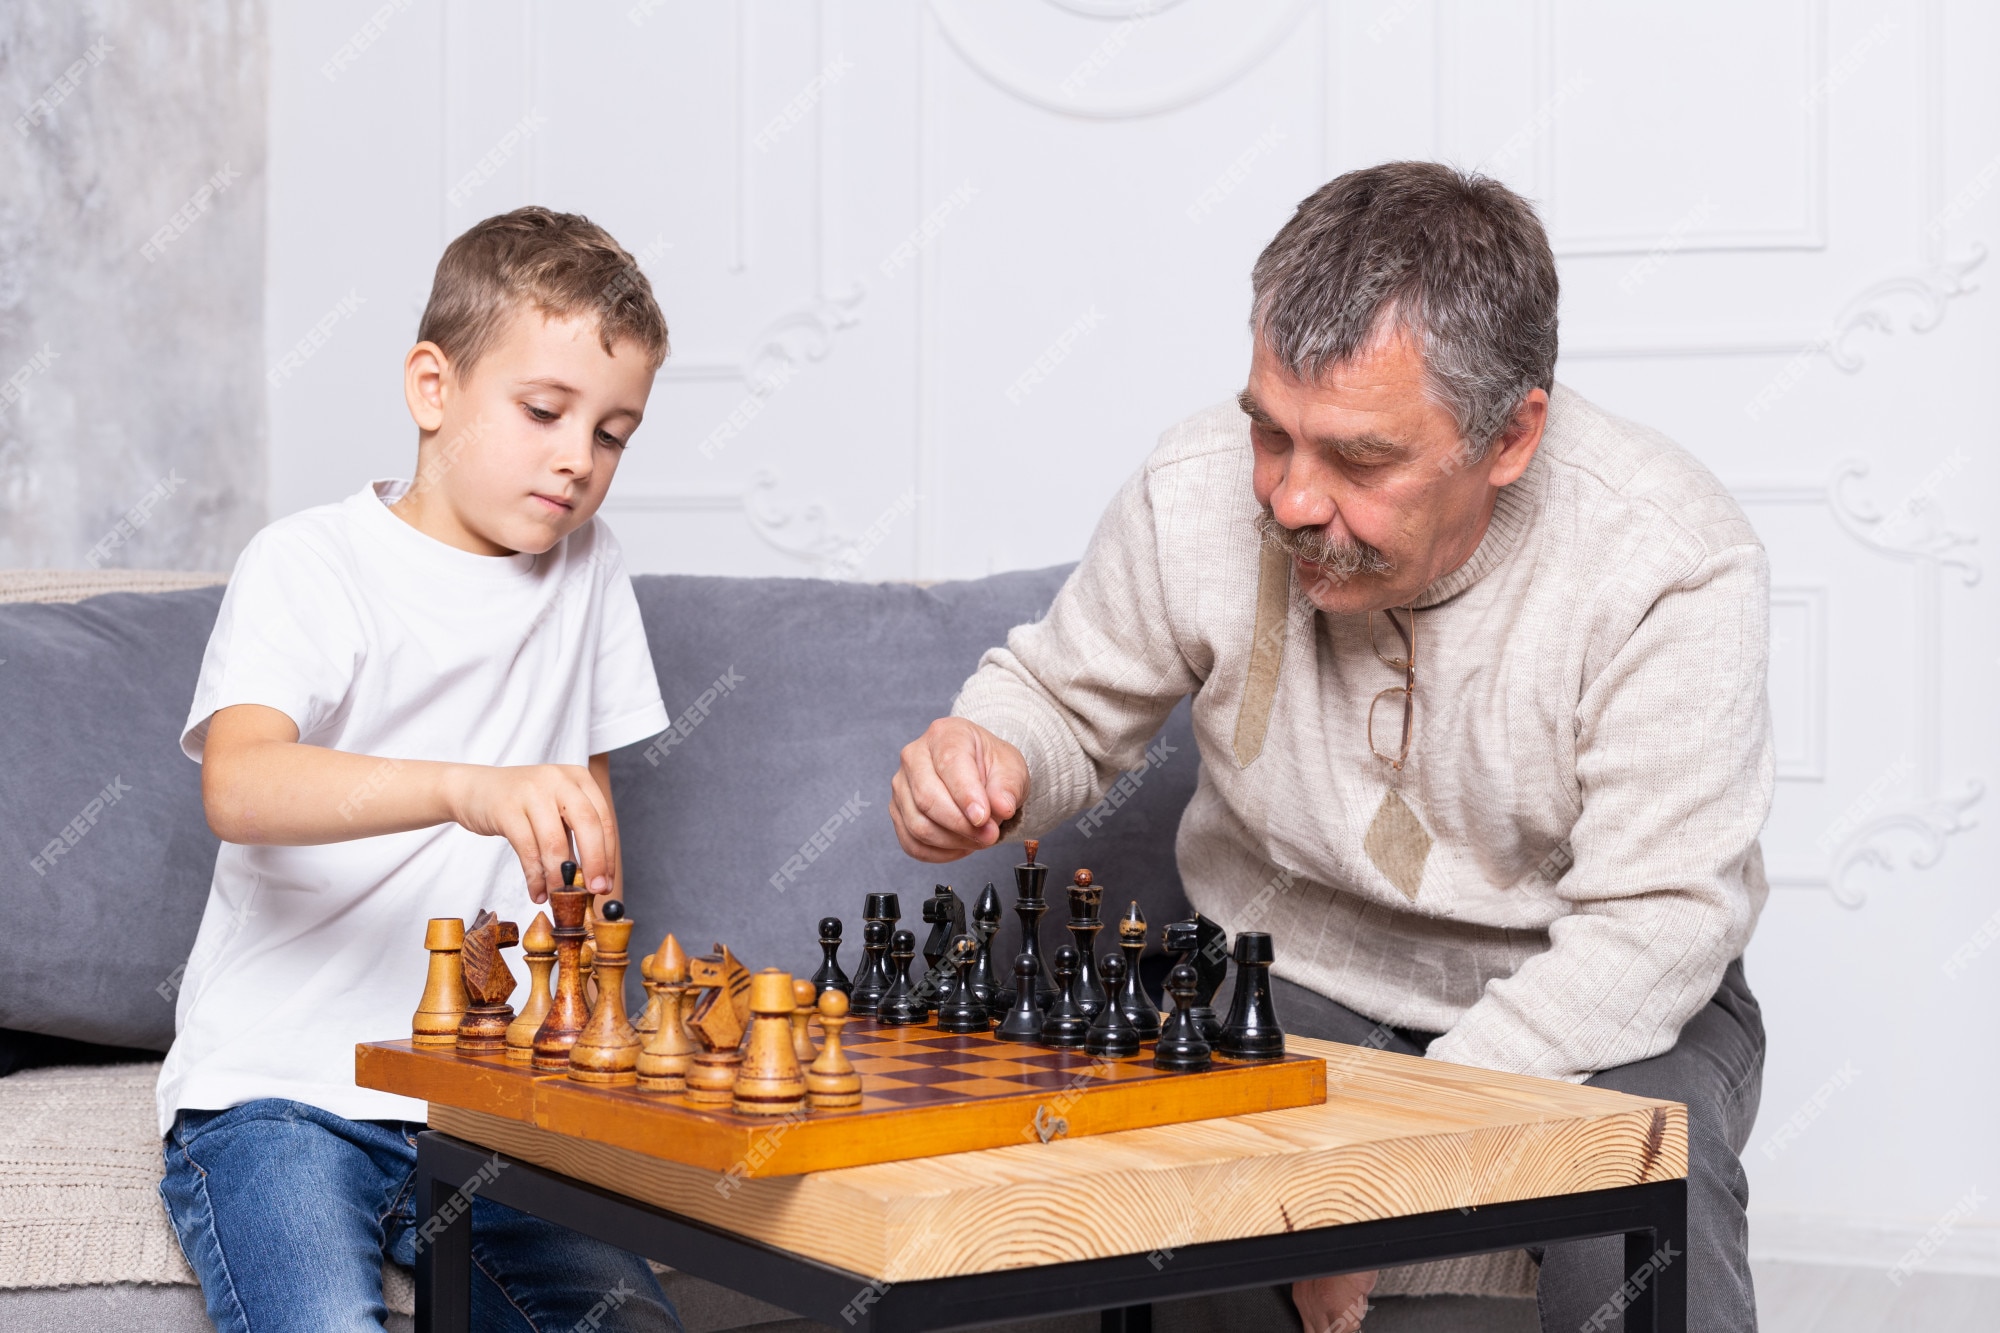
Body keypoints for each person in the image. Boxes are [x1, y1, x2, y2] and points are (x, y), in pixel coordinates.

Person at [891, 163, 1767, 1333]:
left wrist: (1382, 1157)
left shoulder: (1667, 559)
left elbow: (1655, 924)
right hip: (1290, 973)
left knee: (1641, 1170)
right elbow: (1056, 699)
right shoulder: (1194, 490)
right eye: (1271, 434)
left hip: (1595, 998)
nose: (1292, 499)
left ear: (1509, 436)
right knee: (1168, 1177)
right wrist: (989, 756)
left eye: (1358, 460)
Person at [157, 208, 683, 1333]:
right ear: (432, 388)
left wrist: (597, 1007)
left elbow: (586, 827)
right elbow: (239, 786)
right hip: (281, 1089)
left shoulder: (590, 571)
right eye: (544, 411)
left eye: (612, 433)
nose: (575, 459)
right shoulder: (310, 562)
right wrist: (468, 788)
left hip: (490, 1105)